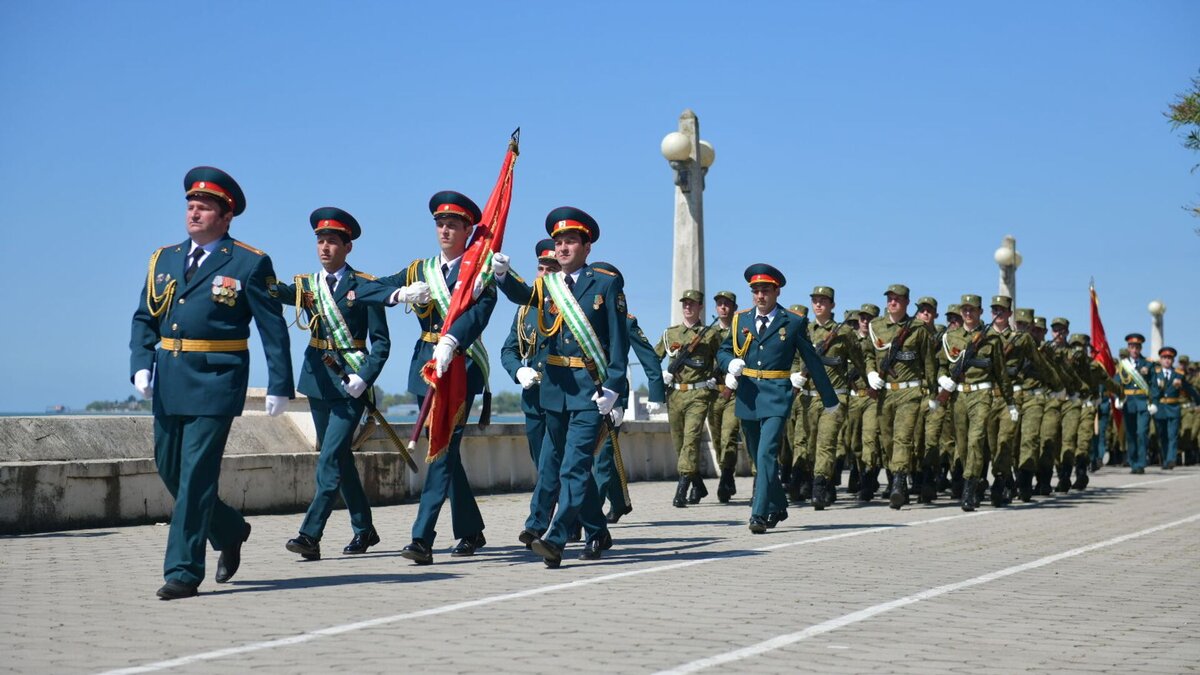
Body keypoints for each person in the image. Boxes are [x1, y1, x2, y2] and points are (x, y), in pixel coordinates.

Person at [130, 166, 294, 600]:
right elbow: (145, 317)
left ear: (226, 216)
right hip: (170, 378)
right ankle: (229, 528)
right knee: (170, 469)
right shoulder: (163, 259)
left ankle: (183, 571)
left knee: (196, 475)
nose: (194, 213)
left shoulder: (248, 262)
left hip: (217, 380)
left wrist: (280, 383)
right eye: (191, 205)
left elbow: (272, 328)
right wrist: (140, 363)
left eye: (204, 207)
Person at [355, 191, 495, 564]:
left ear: (468, 230)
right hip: (425, 366)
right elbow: (364, 289)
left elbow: (479, 314)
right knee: (443, 450)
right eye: (440, 224)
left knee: (442, 448)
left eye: (453, 225)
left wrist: (452, 340)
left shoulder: (480, 271)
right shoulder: (420, 270)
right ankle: (470, 529)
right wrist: (400, 293)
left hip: (461, 364)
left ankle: (422, 537)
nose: (445, 231)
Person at [492, 207, 628, 567]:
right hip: (553, 392)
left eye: (570, 241)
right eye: (559, 243)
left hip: (588, 392)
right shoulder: (548, 285)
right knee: (558, 466)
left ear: (587, 246)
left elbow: (618, 341)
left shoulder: (604, 284)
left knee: (574, 467)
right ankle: (597, 531)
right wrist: (502, 274)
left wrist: (614, 388)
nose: (563, 248)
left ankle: (555, 538)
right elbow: (522, 295)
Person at [281, 208, 390, 561]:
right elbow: (275, 292)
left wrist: (365, 376)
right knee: (339, 457)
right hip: (318, 380)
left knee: (329, 457)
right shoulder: (307, 286)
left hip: (350, 381)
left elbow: (381, 343)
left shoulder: (365, 286)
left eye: (331, 241)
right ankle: (364, 528)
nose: (324, 248)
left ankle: (310, 534)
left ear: (347, 247)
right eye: (320, 241)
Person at [718, 264, 838, 533]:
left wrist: (829, 399)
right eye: (756, 291)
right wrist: (729, 364)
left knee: (766, 455)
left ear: (777, 292)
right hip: (748, 395)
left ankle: (758, 514)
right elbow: (723, 351)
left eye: (766, 290)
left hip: (776, 394)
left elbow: (812, 360)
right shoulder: (740, 320)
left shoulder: (792, 322)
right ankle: (779, 505)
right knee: (756, 456)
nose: (760, 296)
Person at [591, 261, 665, 522]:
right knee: (592, 455)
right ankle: (620, 501)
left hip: (613, 396)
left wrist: (656, 394)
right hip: (583, 393)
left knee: (602, 455)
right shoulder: (581, 318)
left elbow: (649, 357)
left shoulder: (625, 321)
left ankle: (588, 517)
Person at [863, 284, 938, 510]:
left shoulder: (918, 329)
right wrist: (871, 373)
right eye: (890, 298)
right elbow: (868, 354)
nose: (893, 302)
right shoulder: (876, 326)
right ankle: (900, 482)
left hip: (910, 392)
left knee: (902, 438)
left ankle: (897, 482)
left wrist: (933, 394)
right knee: (886, 441)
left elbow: (929, 362)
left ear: (907, 302)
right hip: (884, 392)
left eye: (897, 299)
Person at [936, 294, 1013, 511]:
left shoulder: (992, 339)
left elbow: (1001, 373)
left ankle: (968, 490)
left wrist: (1011, 403)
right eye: (965, 310)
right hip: (958, 395)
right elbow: (941, 365)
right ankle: (976, 479)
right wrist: (942, 379)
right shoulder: (951, 337)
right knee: (962, 445)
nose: (968, 313)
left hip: (981, 395)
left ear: (980, 312)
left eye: (972, 310)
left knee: (976, 440)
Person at [793, 286, 864, 509]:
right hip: (807, 398)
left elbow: (859, 361)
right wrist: (794, 375)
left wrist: (868, 382)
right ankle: (818, 481)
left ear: (832, 305)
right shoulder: (803, 330)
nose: (818, 304)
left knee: (826, 442)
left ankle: (820, 487)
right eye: (815, 300)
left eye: (823, 300)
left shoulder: (845, 333)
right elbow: (793, 357)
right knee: (807, 445)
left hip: (833, 399)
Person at [657, 290, 722, 508]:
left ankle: (681, 490)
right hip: (675, 394)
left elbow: (722, 359)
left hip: (698, 394)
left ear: (700, 307)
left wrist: (714, 377)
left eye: (692, 304)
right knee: (679, 444)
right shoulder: (670, 334)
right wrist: (660, 376)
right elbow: (654, 356)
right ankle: (698, 485)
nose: (688, 307)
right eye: (685, 303)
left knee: (691, 439)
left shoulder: (710, 334)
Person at [500, 239, 559, 466]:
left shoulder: (574, 308)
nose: (543, 275)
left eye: (551, 270)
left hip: (564, 401)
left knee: (565, 467)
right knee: (541, 466)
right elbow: (509, 350)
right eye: (540, 269)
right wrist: (519, 370)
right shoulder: (525, 310)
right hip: (534, 401)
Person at [707, 291, 744, 501]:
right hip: (715, 393)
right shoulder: (709, 334)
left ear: (734, 308)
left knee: (729, 435)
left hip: (735, 392)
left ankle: (726, 477)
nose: (723, 307)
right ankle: (727, 474)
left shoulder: (741, 332)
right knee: (717, 439)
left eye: (727, 304)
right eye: (719, 304)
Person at [1150, 347, 1199, 469]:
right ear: (1160, 360)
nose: (1167, 360)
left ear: (1173, 360)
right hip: (1160, 408)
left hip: (1173, 408)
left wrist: (1198, 401)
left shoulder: (1179, 374)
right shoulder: (1155, 373)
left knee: (1173, 435)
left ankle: (1171, 459)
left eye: (1169, 358)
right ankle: (1165, 459)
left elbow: (1190, 389)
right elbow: (1151, 389)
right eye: (1164, 358)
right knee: (1162, 436)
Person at [1113, 333, 1155, 474]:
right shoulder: (1123, 365)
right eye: (1132, 347)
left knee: (1142, 433)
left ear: (1141, 348)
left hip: (1143, 402)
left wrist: (1153, 401)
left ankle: (1141, 463)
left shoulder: (1148, 364)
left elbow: (1154, 385)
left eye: (1137, 347)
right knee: (1130, 434)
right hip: (1128, 402)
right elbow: (1116, 382)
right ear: (1128, 348)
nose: (1134, 350)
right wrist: (1118, 397)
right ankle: (1133, 462)